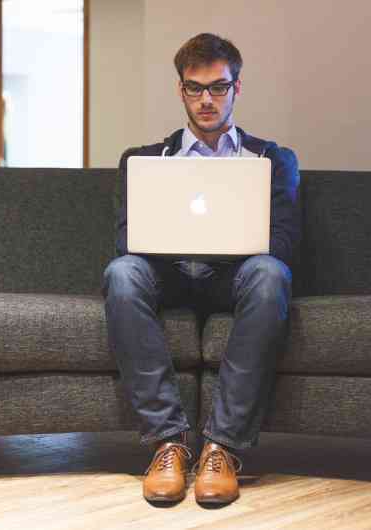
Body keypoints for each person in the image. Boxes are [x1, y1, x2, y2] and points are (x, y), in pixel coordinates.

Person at [101, 32, 301, 505]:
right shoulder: (144, 160)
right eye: (195, 88)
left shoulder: (272, 159)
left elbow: (284, 244)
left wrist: (228, 244)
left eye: (218, 87)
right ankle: (167, 443)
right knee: (122, 273)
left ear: (237, 87)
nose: (207, 99)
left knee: (271, 274)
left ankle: (221, 448)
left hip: (235, 279)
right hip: (169, 274)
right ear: (181, 90)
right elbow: (126, 240)